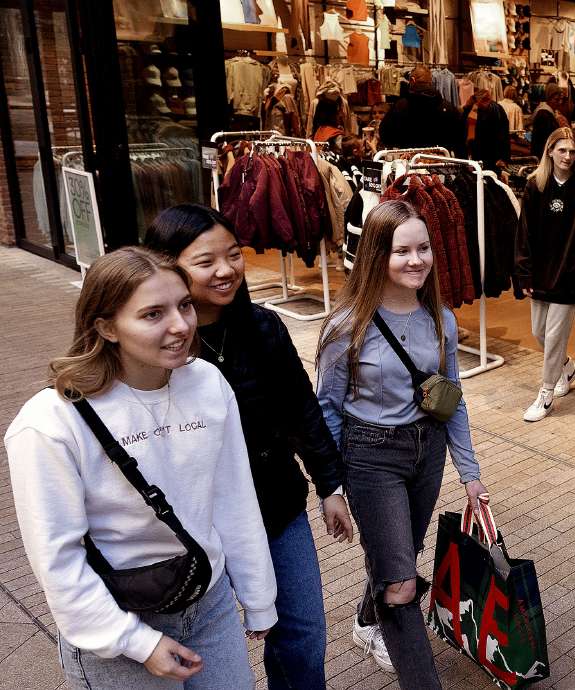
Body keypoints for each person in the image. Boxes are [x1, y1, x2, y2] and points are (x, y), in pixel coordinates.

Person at [4, 247, 277, 689]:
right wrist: (135, 642)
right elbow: (58, 558)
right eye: (152, 314)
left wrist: (259, 595)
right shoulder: (49, 423)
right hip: (116, 616)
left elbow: (232, 496)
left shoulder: (207, 382)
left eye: (184, 305)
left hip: (209, 602)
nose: (180, 325)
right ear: (105, 326)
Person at [143, 204, 353, 690]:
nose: (225, 270)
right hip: (193, 526)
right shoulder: (159, 346)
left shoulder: (263, 328)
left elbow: (303, 410)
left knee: (303, 632)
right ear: (167, 265)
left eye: (234, 255)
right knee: (210, 650)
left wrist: (330, 486)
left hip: (277, 507)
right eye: (205, 261)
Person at [316, 199, 489, 689]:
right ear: (376, 256)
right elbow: (326, 408)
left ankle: (367, 621)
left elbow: (451, 399)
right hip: (370, 456)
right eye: (401, 251)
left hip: (427, 452)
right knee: (402, 583)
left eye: (424, 248)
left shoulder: (442, 319)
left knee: (401, 553)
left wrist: (470, 474)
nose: (417, 260)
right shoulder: (346, 326)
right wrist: (329, 488)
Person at [514, 127, 575, 422]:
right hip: (540, 273)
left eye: (572, 151)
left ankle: (546, 394)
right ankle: (567, 367)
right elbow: (523, 233)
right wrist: (523, 273)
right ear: (550, 151)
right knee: (539, 332)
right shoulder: (534, 185)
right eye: (562, 150)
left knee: (553, 337)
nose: (567, 156)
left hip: (569, 273)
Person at [378, 66, 465, 156]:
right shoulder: (447, 107)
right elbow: (459, 140)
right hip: (439, 162)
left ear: (412, 80)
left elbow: (385, 135)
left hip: (409, 162)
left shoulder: (400, 107)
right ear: (431, 81)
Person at [462, 88, 511, 171]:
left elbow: (504, 135)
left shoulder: (494, 110)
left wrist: (504, 157)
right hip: (485, 154)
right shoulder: (494, 109)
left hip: (487, 154)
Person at [529, 83, 569, 159]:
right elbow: (545, 140)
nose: (560, 102)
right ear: (548, 99)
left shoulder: (550, 113)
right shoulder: (544, 114)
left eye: (561, 99)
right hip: (543, 156)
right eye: (556, 99)